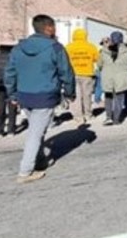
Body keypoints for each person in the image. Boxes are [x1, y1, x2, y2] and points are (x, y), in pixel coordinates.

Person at [5, 15, 76, 183]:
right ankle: (25, 171)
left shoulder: (18, 48)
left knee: (37, 130)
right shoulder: (55, 48)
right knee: (35, 134)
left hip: (24, 96)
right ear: (48, 28)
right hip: (45, 96)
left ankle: (40, 161)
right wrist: (69, 92)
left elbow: (10, 72)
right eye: (54, 27)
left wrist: (12, 94)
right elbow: (66, 72)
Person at [98, 31, 127, 126]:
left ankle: (108, 117)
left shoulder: (103, 51)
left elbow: (99, 65)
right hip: (121, 78)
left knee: (108, 98)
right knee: (119, 99)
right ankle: (116, 119)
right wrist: (126, 70)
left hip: (107, 77)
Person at [65, 28, 99, 124]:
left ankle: (78, 116)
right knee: (87, 95)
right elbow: (97, 59)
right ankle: (88, 114)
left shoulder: (68, 47)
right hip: (87, 74)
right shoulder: (91, 47)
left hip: (73, 74)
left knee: (76, 95)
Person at [0, 39, 18, 136]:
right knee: (12, 106)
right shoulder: (15, 56)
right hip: (12, 84)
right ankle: (11, 129)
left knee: (0, 105)